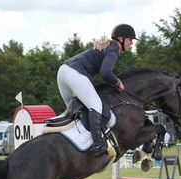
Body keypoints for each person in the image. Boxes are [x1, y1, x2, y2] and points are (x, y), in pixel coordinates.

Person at [57, 24, 137, 156]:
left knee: (76, 112)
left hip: (62, 72)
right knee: (96, 105)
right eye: (130, 39)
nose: (132, 43)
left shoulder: (108, 47)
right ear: (121, 39)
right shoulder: (113, 49)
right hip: (75, 72)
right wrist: (117, 82)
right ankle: (98, 145)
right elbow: (105, 73)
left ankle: (72, 147)